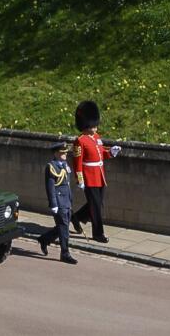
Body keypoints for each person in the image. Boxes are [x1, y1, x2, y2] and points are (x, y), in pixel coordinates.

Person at [71, 101, 120, 243]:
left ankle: (77, 218)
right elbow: (77, 162)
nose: (96, 128)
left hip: (100, 175)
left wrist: (110, 152)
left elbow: (100, 154)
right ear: (86, 125)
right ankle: (98, 233)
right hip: (89, 177)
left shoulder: (97, 138)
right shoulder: (80, 141)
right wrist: (80, 179)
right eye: (93, 125)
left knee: (97, 203)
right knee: (96, 206)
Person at [37, 140, 76, 263]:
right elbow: (50, 187)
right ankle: (65, 253)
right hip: (59, 202)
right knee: (64, 228)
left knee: (62, 226)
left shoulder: (64, 165)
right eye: (62, 153)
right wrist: (53, 204)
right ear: (56, 153)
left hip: (67, 200)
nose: (65, 154)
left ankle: (44, 239)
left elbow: (67, 184)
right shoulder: (51, 167)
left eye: (65, 152)